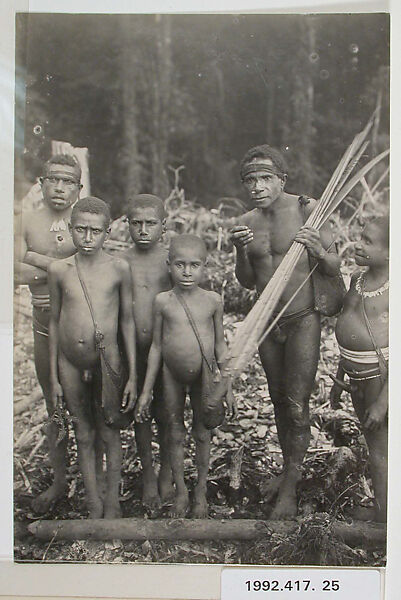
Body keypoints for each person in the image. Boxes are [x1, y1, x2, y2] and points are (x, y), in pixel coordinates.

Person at [230, 144, 341, 519]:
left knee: (296, 403)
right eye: (250, 180)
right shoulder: (247, 221)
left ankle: (290, 490)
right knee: (279, 400)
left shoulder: (307, 209)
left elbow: (334, 264)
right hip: (267, 324)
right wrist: (239, 252)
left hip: (303, 319)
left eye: (265, 178)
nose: (257, 186)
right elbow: (247, 282)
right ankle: (287, 472)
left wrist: (318, 251)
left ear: (282, 179)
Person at [135, 234, 236, 518]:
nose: (187, 272)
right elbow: (156, 346)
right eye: (180, 264)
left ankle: (201, 490)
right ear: (169, 265)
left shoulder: (213, 301)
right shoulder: (162, 302)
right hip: (170, 375)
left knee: (203, 432)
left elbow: (220, 345)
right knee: (174, 432)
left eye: (194, 265)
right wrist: (145, 392)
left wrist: (227, 386)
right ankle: (180, 491)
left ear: (205, 266)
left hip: (204, 373)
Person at [48, 197, 136, 518]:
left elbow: (126, 321)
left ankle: (111, 501)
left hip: (108, 360)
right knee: (83, 433)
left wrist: (134, 377)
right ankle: (92, 502)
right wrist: (55, 377)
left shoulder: (118, 269)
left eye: (95, 231)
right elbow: (55, 324)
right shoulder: (59, 270)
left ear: (107, 232)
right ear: (70, 230)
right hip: (70, 362)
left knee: (109, 431)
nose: (87, 238)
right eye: (81, 230)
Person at [14, 154, 82, 513]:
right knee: (53, 402)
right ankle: (59, 482)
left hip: (84, 321)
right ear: (41, 183)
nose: (60, 187)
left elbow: (96, 268)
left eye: (68, 181)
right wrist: (56, 267)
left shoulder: (85, 221)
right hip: (44, 320)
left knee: (92, 401)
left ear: (79, 188)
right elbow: (12, 272)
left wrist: (33, 258)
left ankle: (93, 479)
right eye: (53, 179)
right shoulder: (26, 220)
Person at [330, 216, 388, 522]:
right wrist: (339, 378)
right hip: (356, 376)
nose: (358, 244)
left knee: (382, 449)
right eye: (360, 237)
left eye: (368, 241)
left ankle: (384, 519)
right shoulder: (358, 279)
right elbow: (349, 327)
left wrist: (383, 402)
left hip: (382, 381)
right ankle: (383, 507)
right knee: (372, 441)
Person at [120, 194, 174, 510]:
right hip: (132, 351)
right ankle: (148, 477)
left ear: (163, 226)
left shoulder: (171, 261)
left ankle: (166, 472)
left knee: (167, 414)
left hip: (165, 353)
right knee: (140, 414)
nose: (143, 230)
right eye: (136, 223)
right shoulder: (120, 262)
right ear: (126, 225)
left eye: (150, 223)